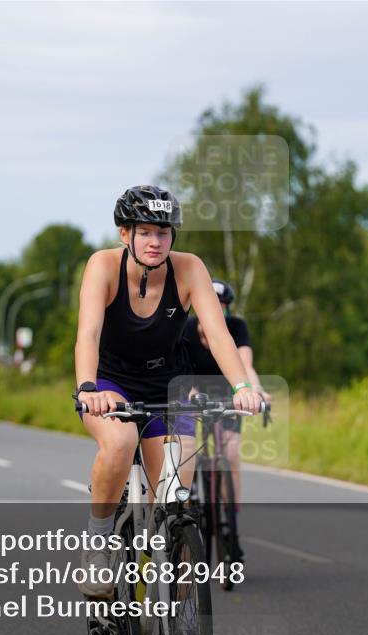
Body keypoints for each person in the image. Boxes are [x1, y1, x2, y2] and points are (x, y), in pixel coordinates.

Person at [73, 185, 262, 598]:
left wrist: (242, 386)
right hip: (110, 383)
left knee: (174, 494)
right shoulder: (103, 266)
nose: (154, 241)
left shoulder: (190, 268)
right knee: (120, 442)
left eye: (163, 232)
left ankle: (173, 586)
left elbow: (218, 335)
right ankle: (99, 543)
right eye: (144, 231)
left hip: (169, 385)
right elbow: (87, 333)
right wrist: (88, 388)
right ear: (125, 234)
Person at [182, 279, 271, 507]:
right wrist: (190, 395)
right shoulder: (185, 327)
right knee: (186, 448)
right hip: (192, 390)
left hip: (228, 394)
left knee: (230, 455)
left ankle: (230, 528)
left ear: (227, 308)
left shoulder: (237, 326)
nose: (215, 309)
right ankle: (186, 498)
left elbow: (246, 366)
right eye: (210, 303)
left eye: (221, 305)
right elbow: (181, 368)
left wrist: (256, 390)